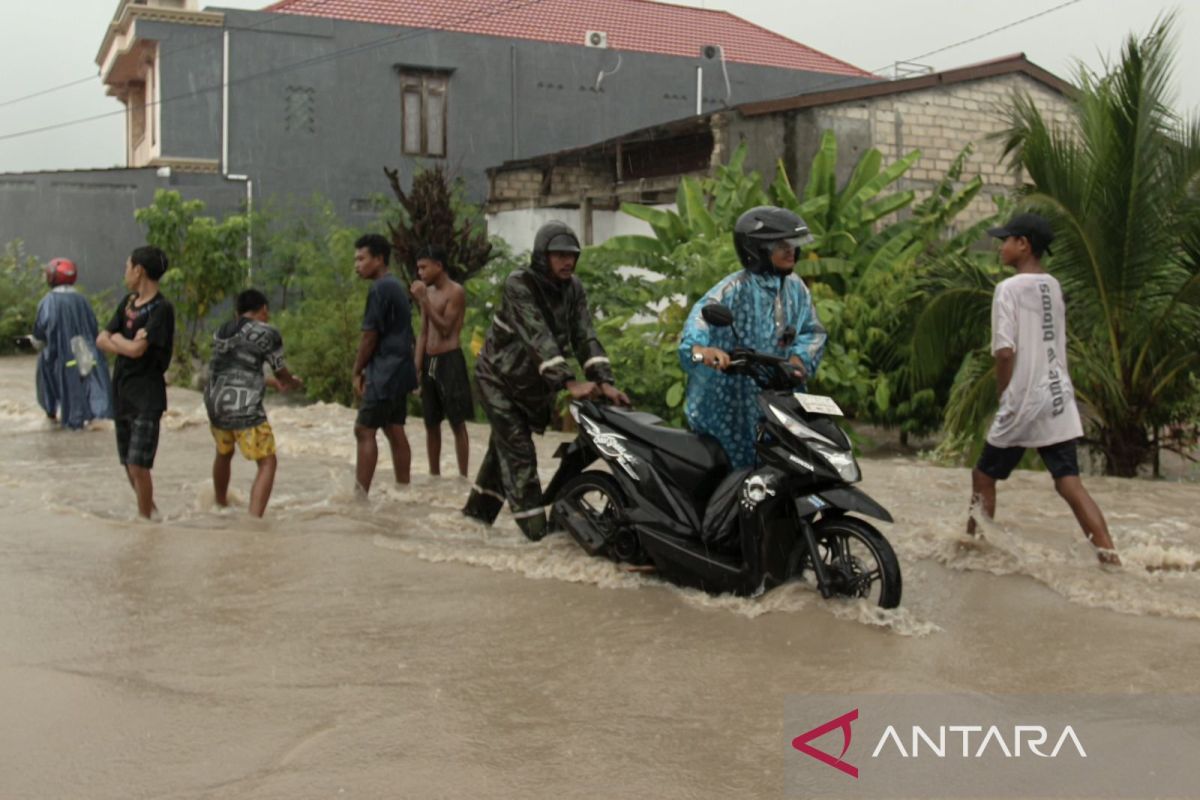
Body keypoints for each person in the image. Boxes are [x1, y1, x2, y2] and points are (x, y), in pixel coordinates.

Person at [968, 212, 1121, 567]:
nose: (1001, 246)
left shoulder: (1007, 289)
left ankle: (974, 550)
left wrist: (1003, 391)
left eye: (1006, 240)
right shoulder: (1052, 285)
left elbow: (1005, 351)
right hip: (1057, 396)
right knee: (1069, 482)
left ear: (1024, 245)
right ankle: (1110, 557)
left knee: (983, 476)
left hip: (1022, 400)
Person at [462, 221, 630, 541]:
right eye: (559, 255)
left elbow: (585, 336)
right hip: (498, 380)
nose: (567, 262)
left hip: (532, 388)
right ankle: (539, 541)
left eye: (572, 255)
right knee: (520, 453)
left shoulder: (574, 288)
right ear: (542, 257)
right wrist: (568, 382)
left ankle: (473, 522)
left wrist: (603, 380)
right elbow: (538, 337)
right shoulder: (519, 285)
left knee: (504, 454)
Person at [678, 206, 827, 468]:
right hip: (728, 402)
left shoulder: (797, 289)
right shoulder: (732, 289)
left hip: (776, 395)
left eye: (793, 244)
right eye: (781, 245)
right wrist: (704, 352)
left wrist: (799, 359)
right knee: (731, 472)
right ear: (757, 250)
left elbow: (812, 331)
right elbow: (695, 331)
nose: (791, 250)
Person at [204, 289, 303, 517]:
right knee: (268, 462)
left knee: (223, 453)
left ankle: (220, 505)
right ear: (264, 310)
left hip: (215, 403)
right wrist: (291, 382)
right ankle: (254, 521)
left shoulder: (221, 331)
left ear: (237, 312)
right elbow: (281, 373)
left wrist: (270, 383)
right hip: (245, 406)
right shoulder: (267, 332)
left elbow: (233, 369)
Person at [96, 246, 175, 520]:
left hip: (147, 398)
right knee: (128, 466)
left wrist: (117, 340)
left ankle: (145, 524)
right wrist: (121, 341)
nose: (125, 273)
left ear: (139, 270)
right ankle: (152, 515)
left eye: (127, 267)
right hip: (122, 394)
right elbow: (101, 338)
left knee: (138, 464)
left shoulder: (162, 309)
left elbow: (136, 350)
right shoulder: (128, 302)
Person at [351, 233, 417, 496]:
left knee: (364, 429)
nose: (357, 264)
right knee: (393, 427)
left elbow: (370, 336)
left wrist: (357, 369)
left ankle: (360, 496)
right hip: (400, 367)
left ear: (379, 259)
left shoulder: (380, 288)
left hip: (386, 370)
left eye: (361, 258)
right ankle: (403, 489)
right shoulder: (395, 285)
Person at [411, 244, 473, 478]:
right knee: (430, 422)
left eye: (424, 267)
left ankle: (463, 477)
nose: (420, 273)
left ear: (439, 265)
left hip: (450, 360)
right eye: (418, 269)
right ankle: (434, 475)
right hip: (429, 361)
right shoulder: (430, 293)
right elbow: (423, 332)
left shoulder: (455, 291)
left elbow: (446, 328)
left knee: (457, 422)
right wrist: (415, 368)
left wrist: (423, 301)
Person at [29, 257, 113, 429]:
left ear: (52, 277)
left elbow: (40, 337)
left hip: (60, 359)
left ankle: (53, 415)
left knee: (64, 412)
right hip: (87, 357)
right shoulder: (83, 301)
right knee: (94, 405)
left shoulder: (47, 302)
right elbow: (93, 329)